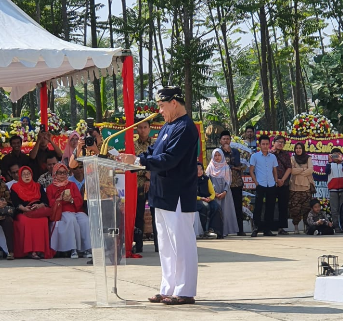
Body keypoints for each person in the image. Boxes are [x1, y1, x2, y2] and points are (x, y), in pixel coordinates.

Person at [118, 86, 198, 305]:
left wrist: (138, 162)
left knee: (181, 242)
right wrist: (133, 158)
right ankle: (168, 287)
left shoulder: (185, 128)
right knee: (165, 244)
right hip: (161, 193)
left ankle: (185, 289)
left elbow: (170, 159)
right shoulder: (167, 127)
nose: (160, 111)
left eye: (162, 106)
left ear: (174, 102)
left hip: (178, 194)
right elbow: (154, 153)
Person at [47, 163, 92, 259]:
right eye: (60, 173)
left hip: (76, 210)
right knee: (71, 220)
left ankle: (87, 249)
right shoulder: (50, 188)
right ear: (55, 174)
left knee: (85, 220)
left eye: (64, 173)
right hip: (62, 211)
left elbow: (79, 200)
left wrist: (71, 199)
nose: (62, 175)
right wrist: (60, 199)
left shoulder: (72, 185)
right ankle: (73, 249)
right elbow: (50, 202)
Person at [10, 166, 52, 259]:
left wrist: (39, 205)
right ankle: (30, 251)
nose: (26, 176)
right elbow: (15, 203)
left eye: (28, 174)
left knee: (43, 220)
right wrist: (24, 208)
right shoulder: (15, 187)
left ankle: (40, 250)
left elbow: (45, 201)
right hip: (22, 212)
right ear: (20, 176)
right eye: (24, 174)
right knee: (26, 221)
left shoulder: (38, 186)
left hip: (37, 210)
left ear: (32, 175)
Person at [134, 120, 157, 253]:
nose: (142, 130)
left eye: (145, 127)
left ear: (149, 129)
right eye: (140, 128)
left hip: (154, 183)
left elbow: (160, 161)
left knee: (156, 214)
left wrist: (151, 175)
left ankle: (159, 245)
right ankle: (138, 244)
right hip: (138, 184)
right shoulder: (132, 145)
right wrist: (145, 173)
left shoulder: (156, 144)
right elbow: (132, 164)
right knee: (138, 214)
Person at [250, 135, 278, 237]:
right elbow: (251, 171)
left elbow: (275, 170)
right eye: (263, 144)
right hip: (260, 184)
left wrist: (275, 181)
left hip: (271, 184)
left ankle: (267, 229)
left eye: (267, 144)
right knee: (258, 207)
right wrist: (256, 183)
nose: (265, 146)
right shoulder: (255, 156)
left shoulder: (273, 157)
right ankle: (256, 228)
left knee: (270, 207)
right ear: (259, 145)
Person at [206, 149, 238, 236]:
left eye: (219, 155)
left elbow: (228, 181)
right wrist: (214, 193)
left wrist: (224, 192)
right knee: (216, 212)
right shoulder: (210, 167)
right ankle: (216, 231)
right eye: (215, 155)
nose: (217, 157)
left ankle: (225, 231)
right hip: (214, 194)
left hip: (225, 194)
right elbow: (207, 181)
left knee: (225, 212)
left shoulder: (226, 167)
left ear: (222, 156)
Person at [219, 130, 245, 236]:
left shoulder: (235, 151)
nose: (226, 141)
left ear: (230, 140)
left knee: (237, 206)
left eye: (228, 139)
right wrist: (232, 166)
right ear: (220, 141)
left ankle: (240, 229)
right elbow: (219, 165)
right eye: (224, 139)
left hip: (235, 182)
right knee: (222, 207)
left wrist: (229, 153)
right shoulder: (217, 152)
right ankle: (222, 230)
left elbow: (237, 164)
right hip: (222, 183)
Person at [288, 143, 314, 234]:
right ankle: (296, 228)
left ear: (303, 149)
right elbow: (292, 170)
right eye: (296, 148)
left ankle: (306, 227)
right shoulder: (292, 158)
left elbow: (311, 170)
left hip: (306, 187)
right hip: (294, 188)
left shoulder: (308, 158)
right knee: (295, 209)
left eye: (300, 148)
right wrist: (303, 169)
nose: (298, 150)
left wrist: (299, 171)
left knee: (306, 208)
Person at [271, 135, 292, 235]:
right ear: (274, 142)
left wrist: (282, 180)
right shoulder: (269, 154)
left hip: (284, 183)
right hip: (272, 183)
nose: (280, 144)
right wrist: (276, 180)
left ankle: (281, 227)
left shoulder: (286, 155)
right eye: (278, 141)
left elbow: (289, 168)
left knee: (283, 206)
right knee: (270, 205)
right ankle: (268, 226)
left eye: (282, 142)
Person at [197, 162, 223, 238]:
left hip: (207, 199)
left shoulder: (206, 179)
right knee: (205, 207)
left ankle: (214, 230)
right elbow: (190, 194)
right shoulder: (191, 180)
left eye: (201, 169)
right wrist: (200, 198)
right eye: (197, 170)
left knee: (216, 207)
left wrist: (210, 198)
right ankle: (204, 230)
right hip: (197, 200)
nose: (199, 171)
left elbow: (212, 192)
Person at [325, 147, 343, 233]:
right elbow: (326, 171)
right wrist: (329, 161)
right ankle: (336, 227)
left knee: (342, 209)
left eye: (338, 154)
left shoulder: (342, 164)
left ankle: (342, 226)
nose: (336, 156)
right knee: (334, 209)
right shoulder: (329, 165)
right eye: (334, 155)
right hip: (333, 190)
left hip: (342, 190)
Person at [0, 180, 14, 260]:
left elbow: (9, 202)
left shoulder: (3, 186)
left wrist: (4, 203)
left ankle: (11, 252)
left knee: (8, 221)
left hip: (2, 213)